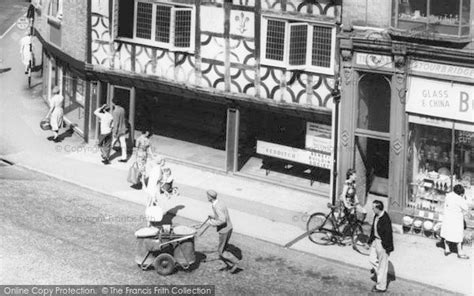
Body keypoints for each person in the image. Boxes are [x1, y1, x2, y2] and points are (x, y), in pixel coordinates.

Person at [206, 190, 240, 274]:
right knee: (223, 247)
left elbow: (222, 220)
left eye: (207, 196)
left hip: (224, 230)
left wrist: (211, 223)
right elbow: (222, 215)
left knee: (221, 251)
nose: (207, 197)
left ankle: (235, 262)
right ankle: (230, 263)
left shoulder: (217, 206)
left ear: (210, 197)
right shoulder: (220, 203)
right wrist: (214, 216)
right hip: (229, 228)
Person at [367, 200, 394, 293]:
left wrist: (387, 248)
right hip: (376, 241)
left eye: (373, 207)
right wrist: (370, 241)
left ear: (378, 208)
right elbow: (373, 230)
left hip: (383, 244)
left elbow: (388, 235)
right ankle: (381, 275)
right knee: (371, 259)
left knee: (382, 266)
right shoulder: (377, 215)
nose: (372, 209)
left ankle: (381, 287)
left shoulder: (385, 219)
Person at [440, 184, 469, 259]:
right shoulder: (460, 199)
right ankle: (460, 252)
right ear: (461, 193)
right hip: (456, 219)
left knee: (447, 233)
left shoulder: (448, 195)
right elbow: (466, 208)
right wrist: (464, 198)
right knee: (458, 235)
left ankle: (447, 249)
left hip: (448, 217)